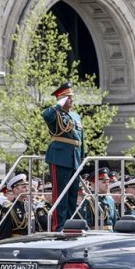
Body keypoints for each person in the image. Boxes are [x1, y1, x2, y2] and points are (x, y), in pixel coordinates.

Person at [42, 82, 84, 231]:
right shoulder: (55, 113)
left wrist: (82, 161)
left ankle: (70, 224)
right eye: (68, 98)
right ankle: (58, 226)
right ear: (61, 99)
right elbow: (45, 115)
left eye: (72, 97)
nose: (72, 100)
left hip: (75, 159)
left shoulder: (75, 116)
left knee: (73, 194)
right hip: (59, 157)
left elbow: (80, 140)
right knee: (61, 194)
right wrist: (58, 104)